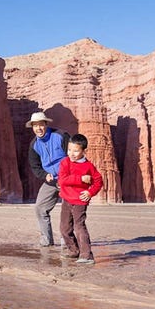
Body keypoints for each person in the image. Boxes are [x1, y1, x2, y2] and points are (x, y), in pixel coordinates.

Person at [57, 133, 103, 264]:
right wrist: (81, 179)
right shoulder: (65, 162)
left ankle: (87, 255)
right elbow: (62, 180)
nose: (71, 153)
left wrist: (90, 192)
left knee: (79, 227)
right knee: (64, 228)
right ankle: (74, 251)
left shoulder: (88, 166)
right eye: (69, 150)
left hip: (80, 201)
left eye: (76, 151)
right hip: (66, 199)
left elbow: (98, 181)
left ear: (83, 151)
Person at [26, 111, 71, 247]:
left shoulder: (61, 135)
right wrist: (44, 175)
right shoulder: (34, 145)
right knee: (40, 207)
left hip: (67, 179)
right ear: (32, 127)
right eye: (35, 126)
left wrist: (68, 174)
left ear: (46, 124)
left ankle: (67, 241)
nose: (38, 128)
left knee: (68, 210)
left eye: (41, 125)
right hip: (50, 181)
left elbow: (73, 155)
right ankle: (47, 240)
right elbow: (35, 166)